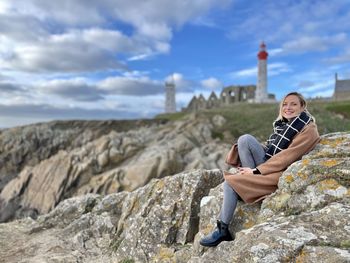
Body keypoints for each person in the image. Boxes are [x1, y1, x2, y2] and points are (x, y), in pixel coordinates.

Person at [200, 92, 320, 247]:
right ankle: (247, 183)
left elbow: (287, 157)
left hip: (281, 172)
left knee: (229, 184)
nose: (288, 108)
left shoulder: (308, 129)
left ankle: (223, 230)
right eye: (285, 104)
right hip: (271, 165)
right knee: (245, 139)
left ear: (302, 106)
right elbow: (272, 150)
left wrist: (256, 171)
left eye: (293, 104)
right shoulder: (285, 126)